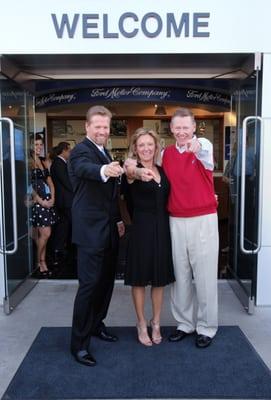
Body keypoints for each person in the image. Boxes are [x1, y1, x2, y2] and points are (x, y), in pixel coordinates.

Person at [68, 105, 125, 367]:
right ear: (88, 127)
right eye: (98, 126)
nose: (102, 130)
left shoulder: (104, 151)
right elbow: (84, 169)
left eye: (106, 126)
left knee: (105, 284)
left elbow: (109, 196)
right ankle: (78, 345)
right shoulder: (81, 151)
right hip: (90, 233)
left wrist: (118, 220)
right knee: (89, 288)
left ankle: (96, 325)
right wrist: (105, 171)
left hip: (109, 230)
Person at [162, 108, 219, 348]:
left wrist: (199, 144)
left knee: (205, 276)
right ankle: (185, 323)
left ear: (194, 128)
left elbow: (203, 147)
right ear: (172, 129)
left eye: (186, 127)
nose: (182, 132)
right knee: (180, 275)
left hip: (203, 219)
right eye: (178, 127)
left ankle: (207, 327)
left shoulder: (203, 147)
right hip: (175, 219)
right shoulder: (165, 153)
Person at [124, 128, 175, 346]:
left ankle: (156, 322)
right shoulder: (132, 169)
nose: (146, 148)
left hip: (163, 229)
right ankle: (141, 323)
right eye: (141, 145)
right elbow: (129, 171)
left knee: (159, 279)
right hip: (141, 230)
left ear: (156, 147)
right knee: (139, 279)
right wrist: (135, 170)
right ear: (135, 148)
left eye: (150, 144)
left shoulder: (163, 171)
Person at [30, 135, 58, 277]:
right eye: (35, 144)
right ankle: (39, 261)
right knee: (45, 234)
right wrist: (41, 201)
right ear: (29, 145)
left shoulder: (43, 161)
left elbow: (51, 182)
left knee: (43, 235)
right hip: (36, 201)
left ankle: (42, 262)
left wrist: (52, 198)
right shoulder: (27, 161)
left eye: (40, 144)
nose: (39, 147)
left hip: (47, 200)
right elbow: (27, 186)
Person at [50, 142, 74, 271]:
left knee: (63, 226)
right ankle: (63, 249)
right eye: (69, 151)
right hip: (66, 201)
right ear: (63, 151)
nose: (70, 153)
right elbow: (67, 183)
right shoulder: (58, 164)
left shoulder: (60, 163)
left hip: (64, 201)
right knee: (69, 224)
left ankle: (59, 249)